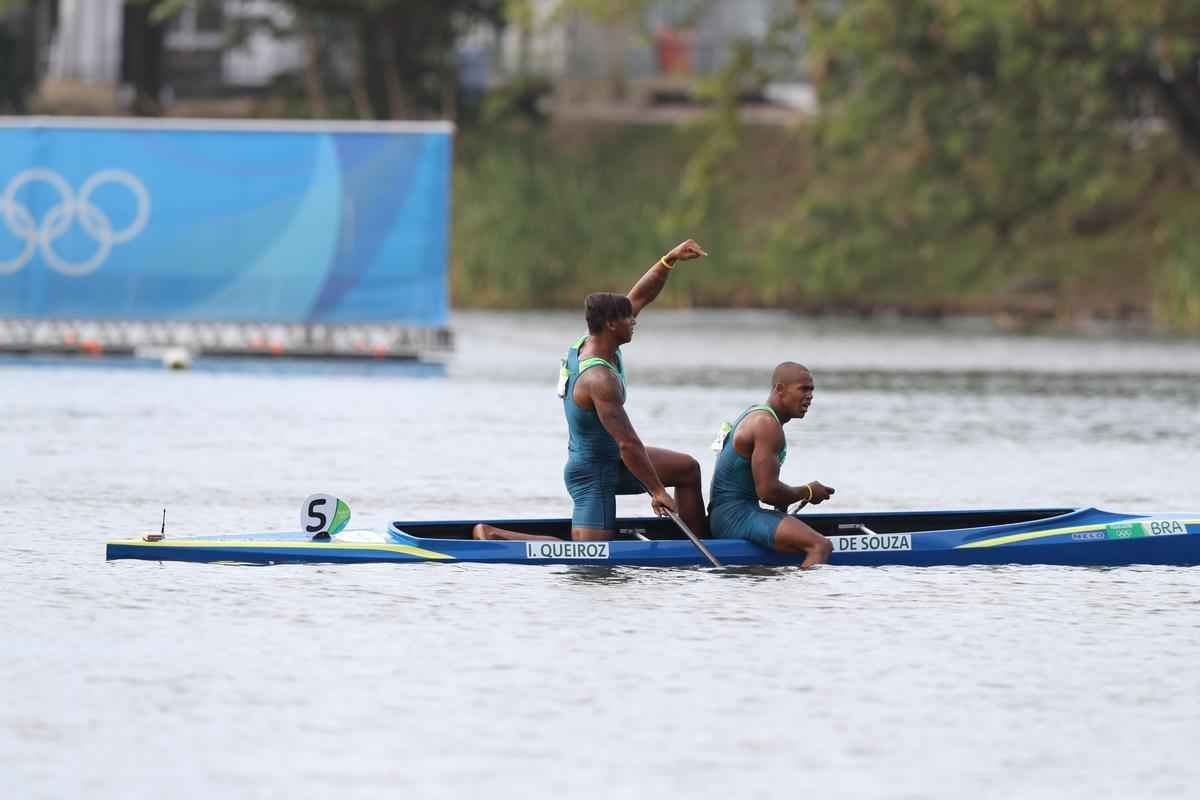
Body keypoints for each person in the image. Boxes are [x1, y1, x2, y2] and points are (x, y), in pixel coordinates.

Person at [474, 240, 710, 541]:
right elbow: (628, 443)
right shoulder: (599, 379)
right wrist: (658, 491)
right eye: (628, 319)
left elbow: (640, 295)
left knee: (687, 469)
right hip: (593, 472)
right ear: (612, 324)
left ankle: (695, 546)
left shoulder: (595, 338)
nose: (634, 321)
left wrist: (669, 259)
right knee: (588, 557)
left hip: (613, 460)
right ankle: (494, 535)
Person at [708, 362, 835, 567]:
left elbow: (768, 490)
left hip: (726, 515)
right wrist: (808, 492)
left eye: (812, 390)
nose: (810, 396)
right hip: (735, 518)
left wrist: (782, 517)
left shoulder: (755, 413)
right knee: (820, 546)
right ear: (779, 389)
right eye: (803, 389)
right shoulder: (766, 425)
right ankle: (805, 599)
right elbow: (768, 492)